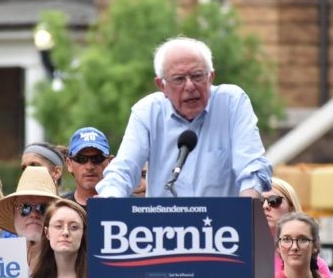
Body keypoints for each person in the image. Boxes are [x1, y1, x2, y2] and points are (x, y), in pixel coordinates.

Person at [96, 36, 272, 198]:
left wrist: (245, 209)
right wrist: (110, 203)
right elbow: (123, 171)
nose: (190, 86)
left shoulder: (232, 102)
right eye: (179, 79)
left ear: (211, 77)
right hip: (162, 228)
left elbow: (252, 166)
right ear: (161, 85)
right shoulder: (147, 112)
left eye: (197, 76)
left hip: (225, 228)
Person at [30, 199, 114, 278]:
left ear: (83, 234)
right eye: (58, 226)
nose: (65, 232)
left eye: (74, 227)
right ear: (47, 233)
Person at [261, 212, 333, 278]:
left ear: (315, 246)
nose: (294, 247)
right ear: (278, 246)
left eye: (302, 239)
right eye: (286, 239)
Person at [261, 177, 332, 278]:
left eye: (274, 200)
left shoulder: (315, 266)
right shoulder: (243, 256)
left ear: (292, 208)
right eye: (260, 201)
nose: (265, 206)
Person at [0, 166, 60, 270]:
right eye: (25, 207)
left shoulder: (68, 262)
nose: (34, 214)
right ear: (13, 213)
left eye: (43, 208)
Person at [63, 127, 113, 209]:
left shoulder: (129, 206)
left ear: (110, 162)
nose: (89, 167)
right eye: (81, 159)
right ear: (69, 164)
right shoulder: (58, 209)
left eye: (97, 158)